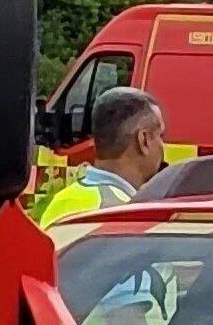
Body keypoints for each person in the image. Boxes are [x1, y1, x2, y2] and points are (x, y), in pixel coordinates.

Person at [32, 88, 165, 231]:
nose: (163, 145)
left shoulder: (60, 201)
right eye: (160, 136)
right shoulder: (122, 213)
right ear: (144, 140)